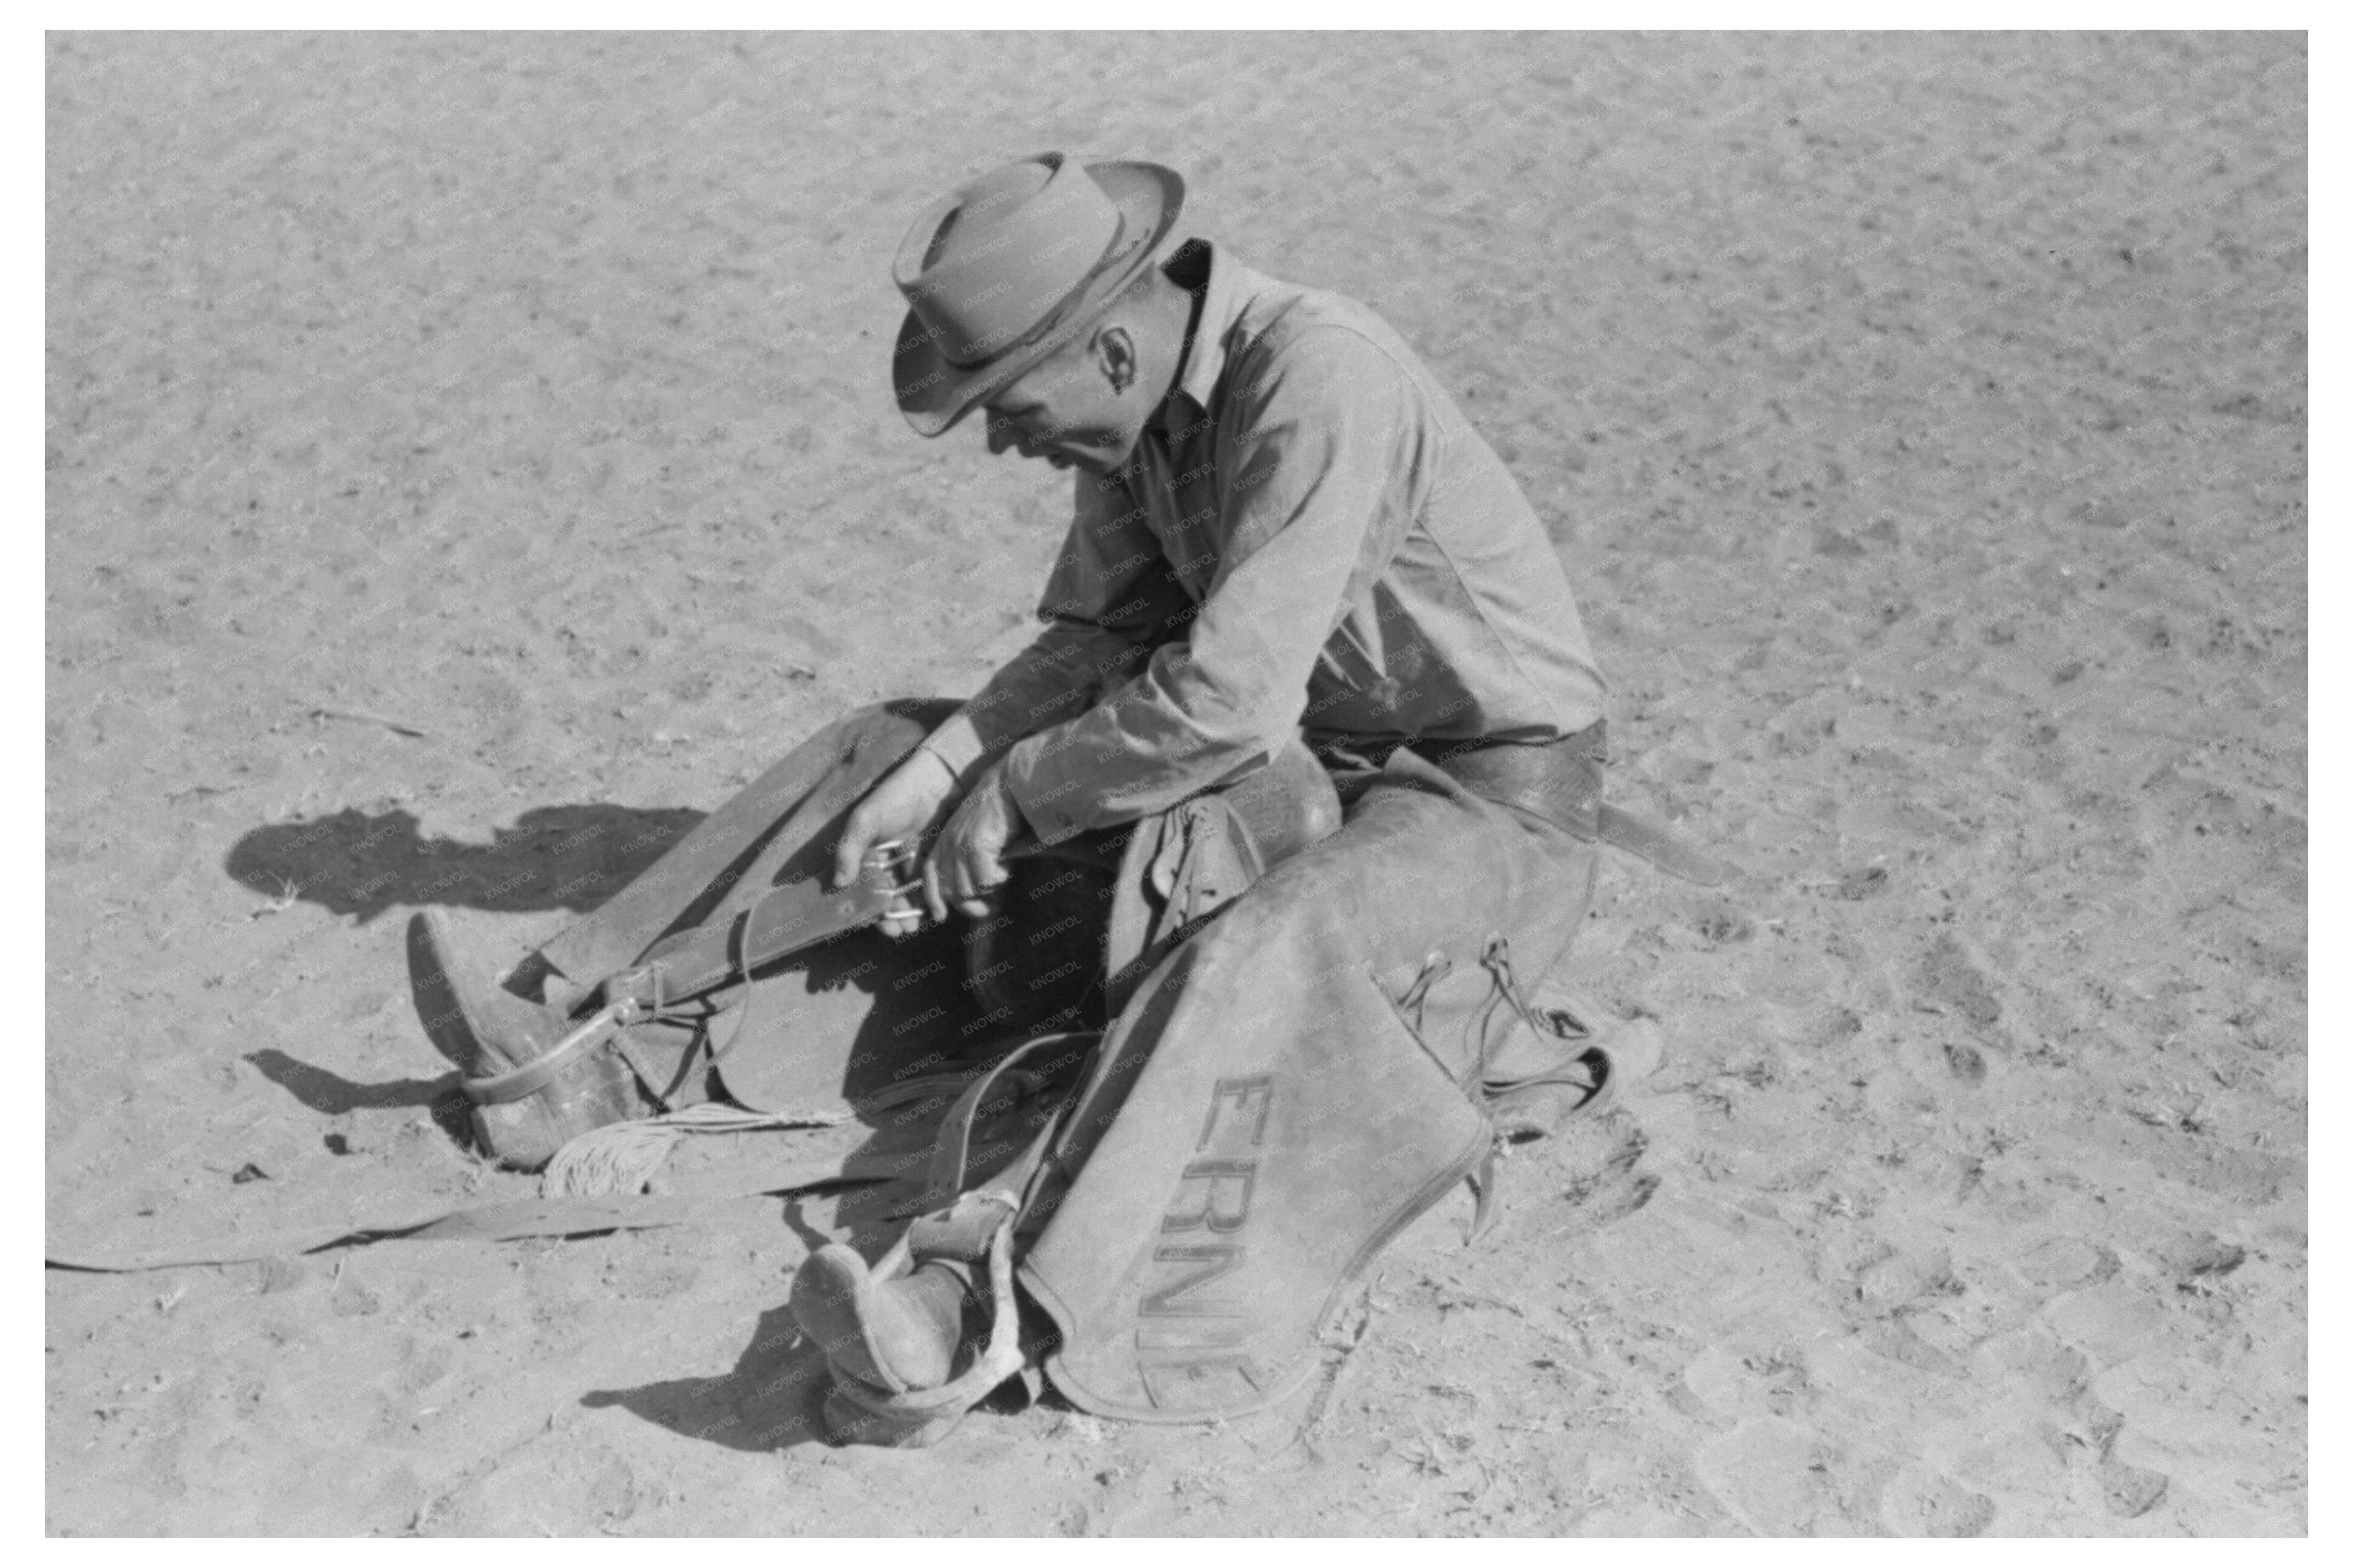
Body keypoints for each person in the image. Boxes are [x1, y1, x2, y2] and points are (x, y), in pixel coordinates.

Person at [414, 152, 1682, 1443]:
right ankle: (598, 1048)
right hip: (1306, 770)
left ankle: (972, 1305)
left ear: (1112, 351)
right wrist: (933, 776)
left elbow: (1228, 700)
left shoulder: (1319, 374)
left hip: (1482, 810)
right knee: (887, 745)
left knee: (1267, 945)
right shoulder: (1141, 419)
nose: (1004, 443)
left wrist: (1012, 798)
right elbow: (1092, 644)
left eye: (1006, 404)